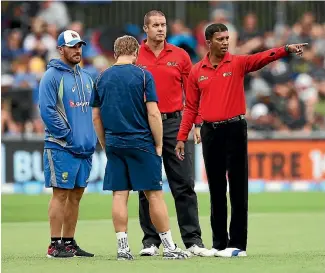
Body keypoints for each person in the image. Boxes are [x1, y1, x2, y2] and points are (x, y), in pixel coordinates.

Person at [175, 23, 308, 258]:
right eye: (221, 39)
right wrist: (181, 137)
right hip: (210, 132)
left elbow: (261, 58)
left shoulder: (236, 63)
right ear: (209, 42)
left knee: (237, 188)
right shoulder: (197, 71)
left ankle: (237, 245)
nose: (226, 42)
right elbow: (190, 107)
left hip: (235, 129)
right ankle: (218, 244)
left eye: (227, 38)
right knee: (216, 189)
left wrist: (285, 49)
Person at [90, 35, 189, 260]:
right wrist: (160, 143)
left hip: (115, 142)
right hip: (141, 142)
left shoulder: (101, 77)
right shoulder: (144, 75)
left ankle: (123, 248)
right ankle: (169, 246)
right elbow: (153, 113)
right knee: (154, 195)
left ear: (115, 53)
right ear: (136, 52)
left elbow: (96, 117)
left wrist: (106, 143)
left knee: (119, 195)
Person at [136, 10, 211, 257]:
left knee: (184, 184)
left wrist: (197, 123)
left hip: (174, 126)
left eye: (163, 24)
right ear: (145, 28)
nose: (161, 28)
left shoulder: (180, 56)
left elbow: (194, 92)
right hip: (144, 126)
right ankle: (150, 241)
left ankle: (193, 240)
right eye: (155, 25)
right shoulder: (135, 55)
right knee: (147, 186)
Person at [39, 30, 97, 258]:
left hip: (84, 148)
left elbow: (92, 112)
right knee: (61, 194)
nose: (77, 50)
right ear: (60, 49)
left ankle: (69, 241)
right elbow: (47, 110)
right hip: (61, 146)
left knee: (76, 195)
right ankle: (54, 245)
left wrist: (89, 138)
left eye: (79, 45)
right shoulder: (51, 76)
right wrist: (67, 136)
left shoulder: (86, 77)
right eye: (72, 46)